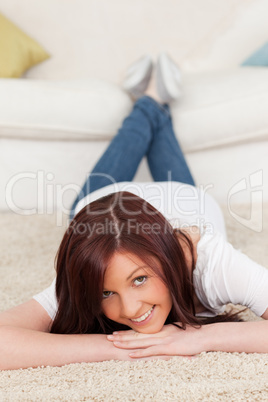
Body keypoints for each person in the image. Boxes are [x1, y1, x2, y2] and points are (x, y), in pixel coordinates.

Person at [0, 53, 268, 371]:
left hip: (185, 203)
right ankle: (153, 100)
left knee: (135, 138)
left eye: (139, 279)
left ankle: (148, 101)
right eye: (106, 292)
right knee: (139, 138)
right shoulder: (88, 267)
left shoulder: (210, 262)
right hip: (103, 204)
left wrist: (199, 338)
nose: (129, 309)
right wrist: (113, 346)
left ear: (168, 257)